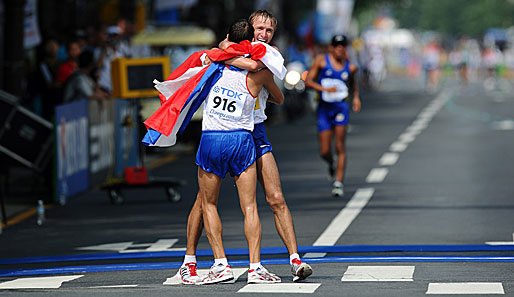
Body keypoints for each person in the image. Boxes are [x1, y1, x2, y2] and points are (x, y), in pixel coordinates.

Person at [178, 10, 312, 285]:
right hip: (233, 132)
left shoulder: (267, 56)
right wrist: (238, 57)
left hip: (254, 132)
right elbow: (222, 47)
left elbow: (275, 91)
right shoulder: (231, 50)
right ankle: (189, 260)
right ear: (249, 29)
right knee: (203, 202)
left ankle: (295, 259)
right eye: (259, 29)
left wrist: (246, 64)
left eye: (269, 31)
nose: (263, 35)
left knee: (275, 197)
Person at [191, 19, 283, 285]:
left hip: (212, 139)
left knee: (208, 204)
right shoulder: (259, 72)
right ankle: (255, 267)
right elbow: (277, 94)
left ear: (228, 38)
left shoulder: (212, 63)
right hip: (242, 140)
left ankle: (221, 265)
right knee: (250, 206)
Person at [305, 34, 361, 197]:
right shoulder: (321, 61)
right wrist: (324, 90)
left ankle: (338, 182)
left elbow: (353, 86)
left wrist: (356, 97)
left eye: (343, 45)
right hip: (324, 109)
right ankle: (331, 163)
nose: (340, 48)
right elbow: (308, 81)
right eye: (337, 45)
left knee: (340, 146)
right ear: (331, 47)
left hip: (341, 109)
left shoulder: (350, 67)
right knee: (324, 150)